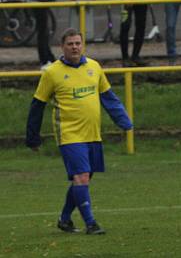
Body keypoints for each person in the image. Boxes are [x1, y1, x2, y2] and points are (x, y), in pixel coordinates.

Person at [25, 28, 132, 235]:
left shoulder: (94, 67)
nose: (74, 47)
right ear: (62, 47)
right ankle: (91, 223)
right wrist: (33, 137)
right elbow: (37, 106)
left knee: (82, 179)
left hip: (92, 134)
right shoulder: (52, 73)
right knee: (81, 177)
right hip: (69, 135)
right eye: (70, 43)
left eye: (78, 43)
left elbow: (108, 97)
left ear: (83, 45)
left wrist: (124, 121)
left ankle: (64, 219)